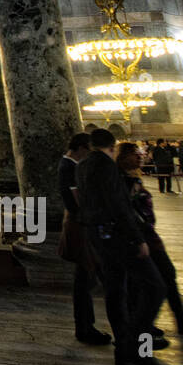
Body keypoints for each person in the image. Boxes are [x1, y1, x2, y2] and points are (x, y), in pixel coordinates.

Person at [76, 128, 171, 365]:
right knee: (155, 288)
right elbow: (118, 205)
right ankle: (140, 347)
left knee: (116, 291)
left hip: (97, 236)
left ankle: (123, 350)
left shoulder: (83, 166)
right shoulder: (108, 168)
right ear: (113, 146)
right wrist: (137, 238)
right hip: (119, 236)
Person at [115, 142, 183, 338]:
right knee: (148, 286)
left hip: (147, 237)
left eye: (139, 153)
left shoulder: (133, 179)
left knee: (166, 276)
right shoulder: (120, 181)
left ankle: (178, 320)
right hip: (136, 240)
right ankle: (141, 338)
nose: (139, 157)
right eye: (134, 154)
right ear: (122, 157)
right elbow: (126, 213)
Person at [58, 132, 111, 346]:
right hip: (81, 226)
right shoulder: (69, 167)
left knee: (88, 278)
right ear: (81, 147)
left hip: (83, 224)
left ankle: (86, 327)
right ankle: (85, 328)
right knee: (87, 279)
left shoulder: (70, 165)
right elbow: (79, 199)